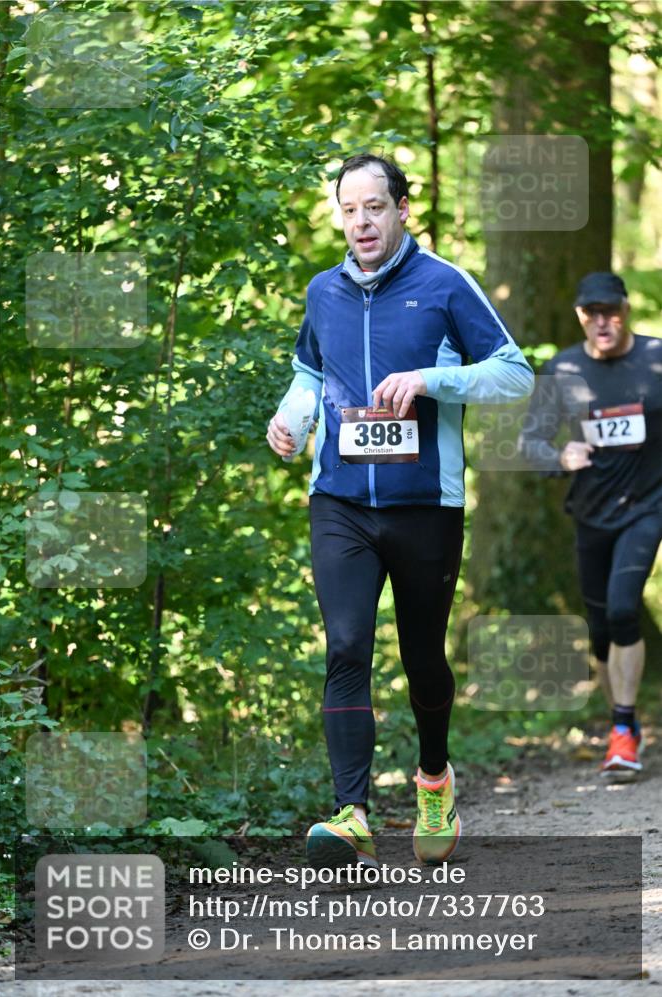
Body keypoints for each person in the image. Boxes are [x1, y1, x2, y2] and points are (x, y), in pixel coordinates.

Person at [267, 153, 534, 867]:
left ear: (402, 209)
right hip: (341, 504)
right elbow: (308, 374)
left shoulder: (444, 284)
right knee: (347, 647)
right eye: (349, 209)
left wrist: (428, 379)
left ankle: (433, 780)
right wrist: (291, 418)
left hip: (424, 507)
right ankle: (351, 812)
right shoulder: (322, 291)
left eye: (374, 207)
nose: (361, 221)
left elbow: (514, 373)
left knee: (422, 658)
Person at [520, 272, 662, 779]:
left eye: (611, 310)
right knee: (601, 627)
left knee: (624, 609)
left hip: (647, 507)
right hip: (591, 513)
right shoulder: (562, 369)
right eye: (591, 312)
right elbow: (529, 445)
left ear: (626, 308)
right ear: (581, 315)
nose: (602, 321)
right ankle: (620, 722)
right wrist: (562, 454)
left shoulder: (656, 359)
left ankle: (623, 730)